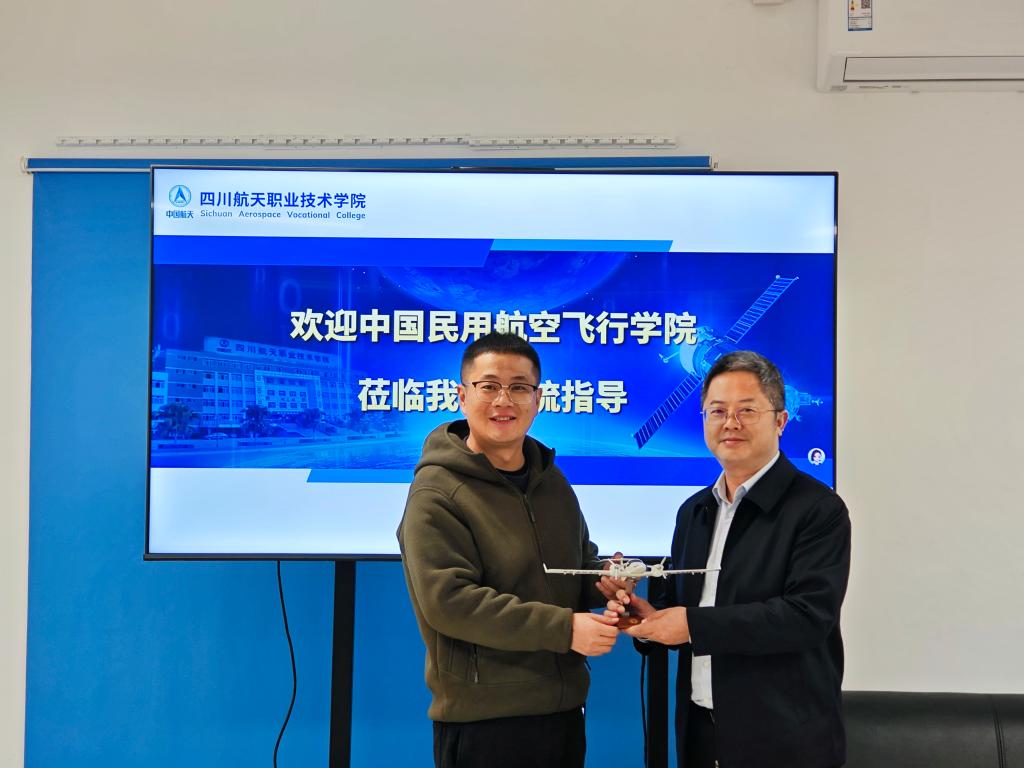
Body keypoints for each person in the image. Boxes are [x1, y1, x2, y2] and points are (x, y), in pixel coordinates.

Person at [608, 350, 851, 768]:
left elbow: (806, 617)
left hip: (785, 740)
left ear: (780, 421)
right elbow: (682, 608)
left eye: (747, 410)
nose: (730, 423)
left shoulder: (818, 509)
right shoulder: (694, 511)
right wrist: (646, 619)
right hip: (702, 732)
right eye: (717, 411)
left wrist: (691, 624)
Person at [398, 332, 624, 768]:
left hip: (561, 712)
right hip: (485, 723)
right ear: (462, 396)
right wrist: (564, 629)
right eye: (489, 386)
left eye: (519, 387)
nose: (504, 400)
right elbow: (450, 603)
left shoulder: (551, 482)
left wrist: (604, 580)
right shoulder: (436, 492)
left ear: (538, 399)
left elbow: (574, 566)